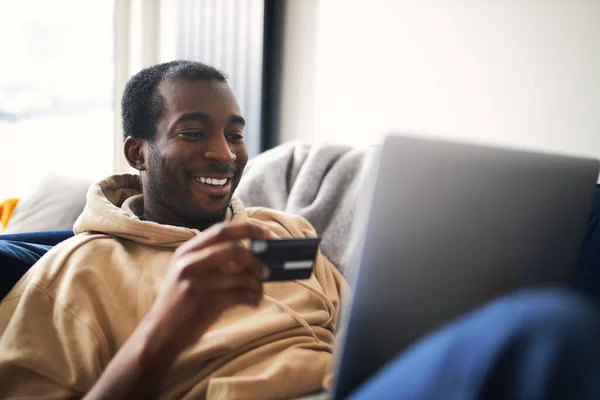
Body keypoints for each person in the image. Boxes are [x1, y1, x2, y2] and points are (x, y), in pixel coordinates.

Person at [0, 60, 599, 400]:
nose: (224, 154)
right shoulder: (69, 274)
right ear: (138, 151)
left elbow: (355, 342)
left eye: (234, 133)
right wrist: (166, 328)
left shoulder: (281, 231)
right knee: (547, 329)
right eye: (192, 132)